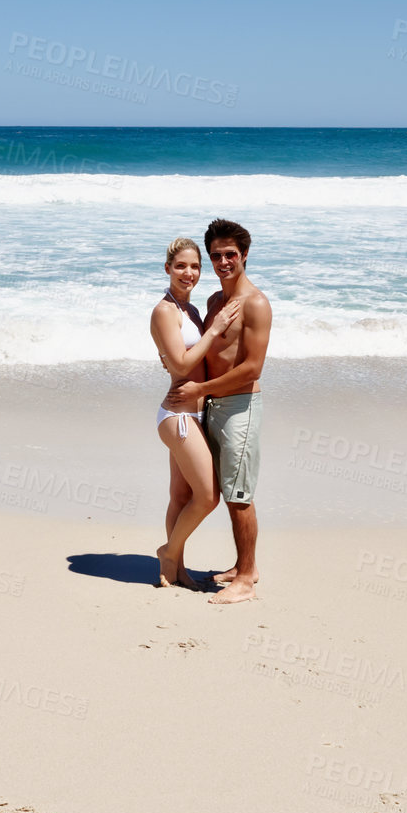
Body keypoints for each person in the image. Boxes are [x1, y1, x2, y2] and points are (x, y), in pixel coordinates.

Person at [163, 218, 271, 605]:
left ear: (244, 255)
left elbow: (251, 368)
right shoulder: (213, 302)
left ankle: (245, 580)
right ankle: (246, 566)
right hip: (209, 406)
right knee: (218, 490)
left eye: (231, 254)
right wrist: (176, 367)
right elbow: (200, 353)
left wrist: (201, 388)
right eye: (216, 256)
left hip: (240, 407)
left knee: (238, 495)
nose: (223, 261)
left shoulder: (255, 304)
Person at [149, 235, 244, 589]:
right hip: (178, 418)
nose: (188, 273)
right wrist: (216, 328)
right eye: (181, 266)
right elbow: (184, 360)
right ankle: (169, 551)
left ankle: (175, 570)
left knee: (181, 497)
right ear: (167, 268)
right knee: (207, 497)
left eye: (195, 266)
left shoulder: (189, 310)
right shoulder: (164, 310)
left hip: (196, 415)